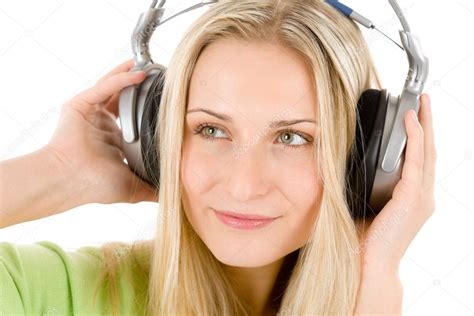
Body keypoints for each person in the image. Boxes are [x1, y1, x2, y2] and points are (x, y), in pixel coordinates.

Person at [0, 0, 437, 315]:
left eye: (292, 137)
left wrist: (373, 271)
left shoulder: (377, 296)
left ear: (362, 158)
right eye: (211, 130)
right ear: (157, 142)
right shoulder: (69, 295)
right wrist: (59, 173)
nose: (244, 185)